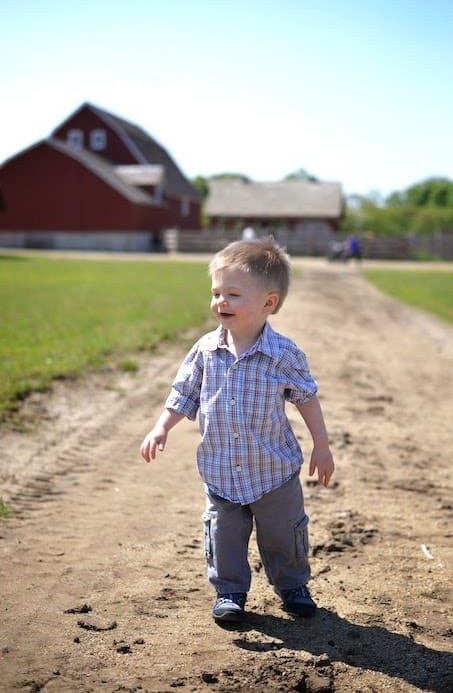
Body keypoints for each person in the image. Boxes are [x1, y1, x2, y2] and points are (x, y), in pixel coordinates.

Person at [140, 237, 335, 624]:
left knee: (283, 535)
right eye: (216, 293)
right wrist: (161, 427)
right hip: (221, 470)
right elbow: (184, 393)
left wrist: (322, 446)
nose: (220, 302)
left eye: (233, 294)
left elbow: (307, 398)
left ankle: (292, 586)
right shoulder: (204, 351)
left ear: (268, 303)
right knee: (223, 535)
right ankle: (229, 591)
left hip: (273, 472)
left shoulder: (284, 354)